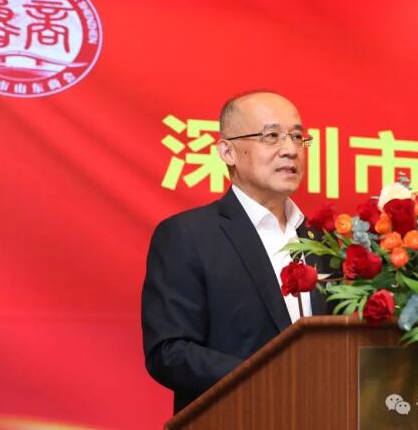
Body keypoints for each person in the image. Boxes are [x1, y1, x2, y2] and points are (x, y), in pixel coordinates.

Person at [141, 91, 330, 414]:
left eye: (298, 137)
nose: (290, 149)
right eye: (271, 136)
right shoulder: (188, 235)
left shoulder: (322, 241)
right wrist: (271, 378)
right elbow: (169, 352)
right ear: (227, 151)